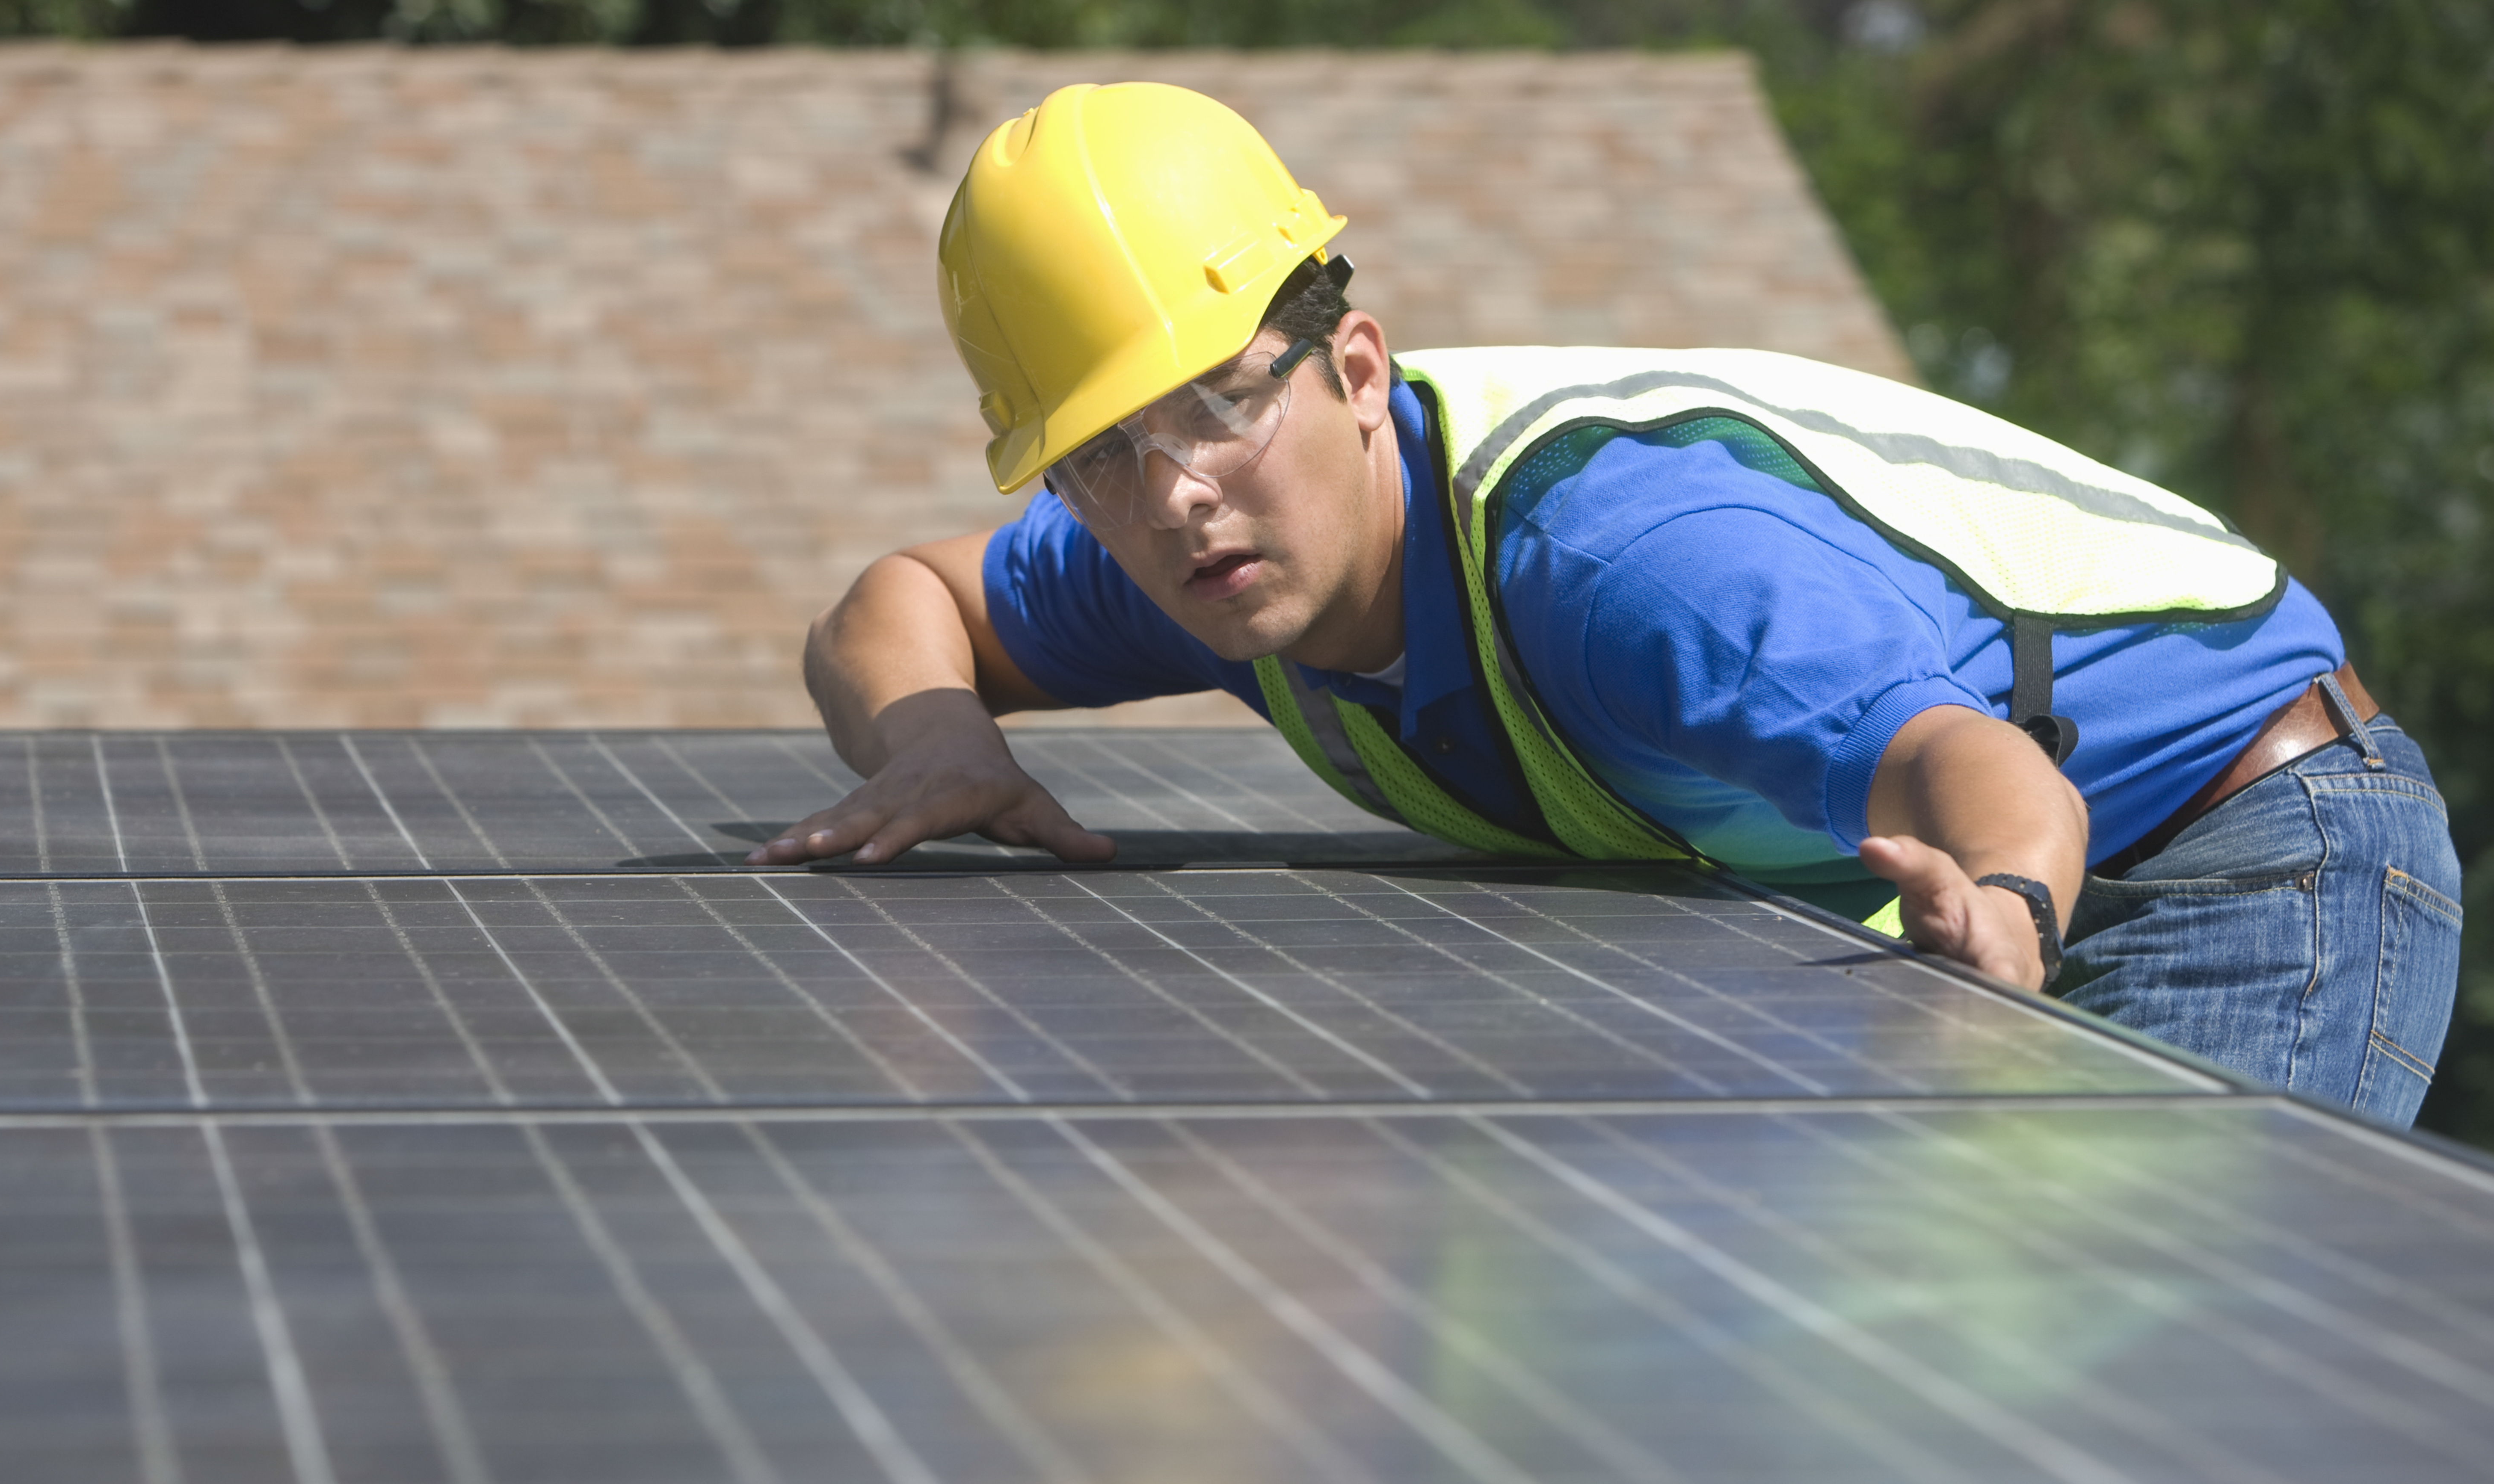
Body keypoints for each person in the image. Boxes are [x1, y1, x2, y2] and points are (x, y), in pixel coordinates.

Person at [750, 81, 2462, 1126]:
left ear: (1355, 366)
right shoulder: (1191, 554)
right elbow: (896, 598)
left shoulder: (1621, 574)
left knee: (2120, 1412)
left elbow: (1985, 778)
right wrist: (930, 738)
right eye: (1099, 456)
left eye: (1216, 401)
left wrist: (2006, 908)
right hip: (1987, 873)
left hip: (2240, 841)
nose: (1174, 484)